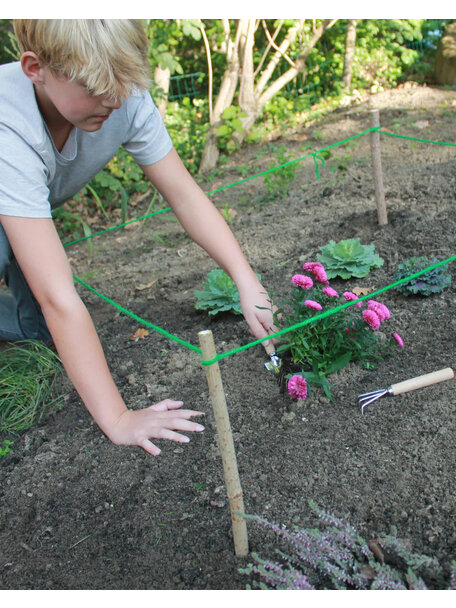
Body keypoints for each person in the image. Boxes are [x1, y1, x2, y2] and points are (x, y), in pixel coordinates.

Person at [0, 19, 276, 456]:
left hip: (19, 200)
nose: (114, 100)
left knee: (42, 336)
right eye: (96, 88)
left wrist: (246, 280)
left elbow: (184, 195)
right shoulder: (7, 127)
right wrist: (118, 418)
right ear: (36, 68)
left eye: (123, 84)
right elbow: (58, 296)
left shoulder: (119, 93)